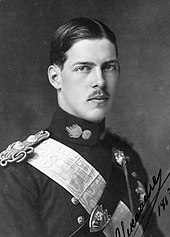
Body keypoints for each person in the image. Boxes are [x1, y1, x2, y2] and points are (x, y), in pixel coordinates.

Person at [0, 18, 164, 237]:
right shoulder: (20, 172)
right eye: (84, 68)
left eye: (109, 67)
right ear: (55, 77)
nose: (100, 81)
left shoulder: (126, 158)